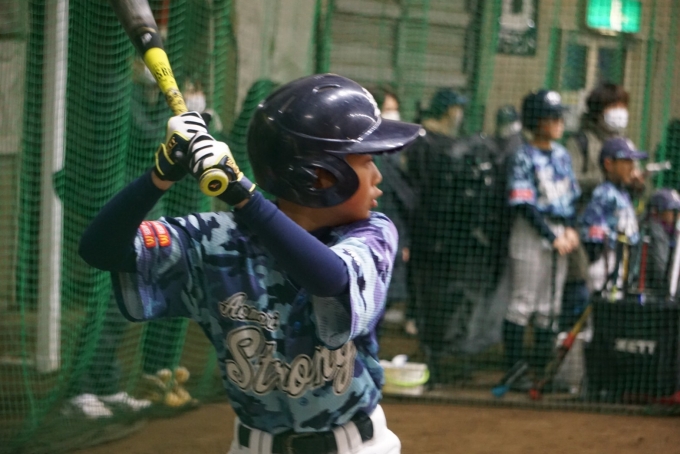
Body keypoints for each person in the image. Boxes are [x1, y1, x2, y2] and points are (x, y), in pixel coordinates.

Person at [79, 74, 422, 454]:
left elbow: (331, 279)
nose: (378, 177)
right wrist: (159, 176)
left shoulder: (372, 232)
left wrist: (243, 196)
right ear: (319, 176)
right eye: (368, 161)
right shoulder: (214, 239)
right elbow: (100, 249)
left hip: (357, 446)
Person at [503, 89, 581, 388]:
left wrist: (570, 229)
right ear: (536, 120)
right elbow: (523, 202)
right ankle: (515, 370)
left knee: (550, 305)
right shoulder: (523, 154)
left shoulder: (562, 154)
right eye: (553, 117)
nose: (560, 122)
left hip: (560, 229)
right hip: (530, 230)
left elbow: (571, 196)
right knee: (523, 301)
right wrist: (550, 236)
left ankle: (541, 371)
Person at [365, 85, 415, 334]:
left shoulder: (395, 151)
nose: (393, 115)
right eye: (388, 110)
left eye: (395, 110)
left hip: (386, 237)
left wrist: (402, 240)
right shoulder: (364, 151)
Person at [579, 138, 647, 296]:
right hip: (605, 263)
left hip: (621, 261)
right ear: (609, 164)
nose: (632, 167)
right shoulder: (604, 194)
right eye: (626, 161)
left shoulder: (622, 192)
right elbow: (593, 239)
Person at [644, 189, 680, 297]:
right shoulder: (653, 230)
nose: (677, 215)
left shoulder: (671, 233)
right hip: (652, 294)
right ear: (656, 212)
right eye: (672, 211)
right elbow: (661, 270)